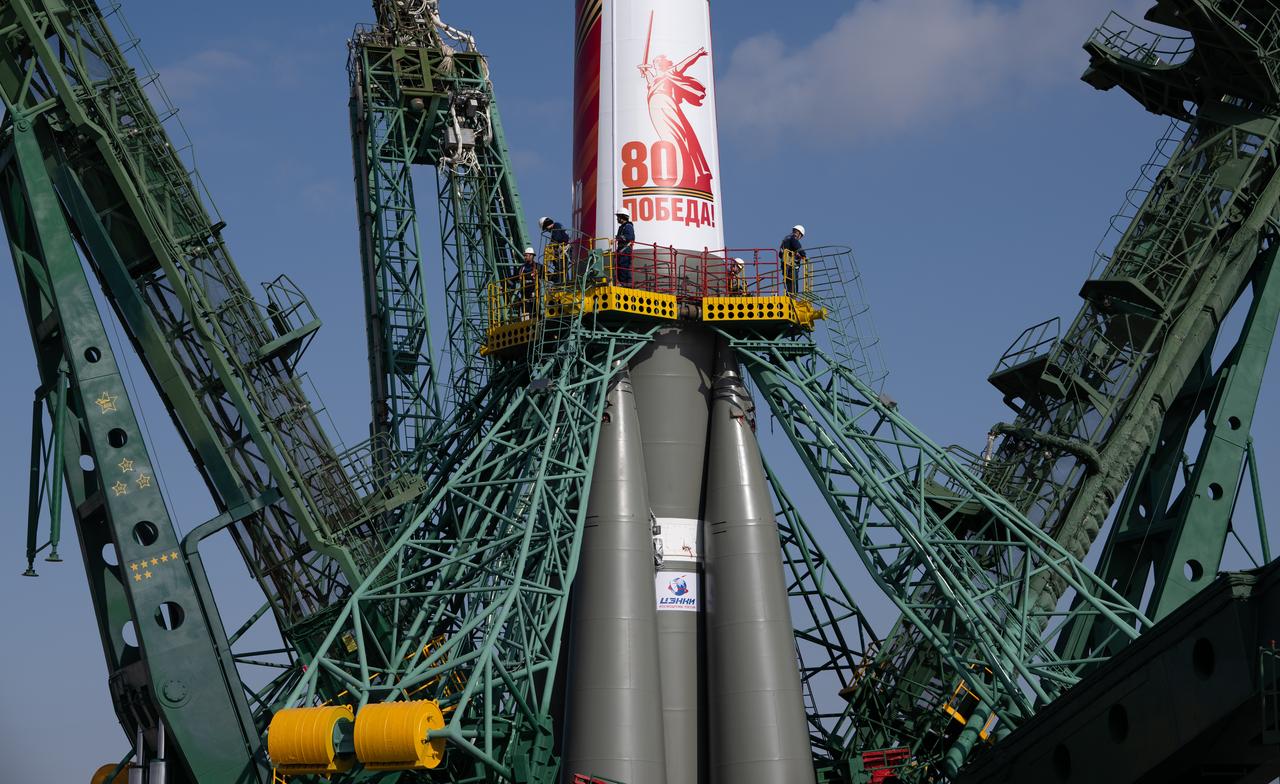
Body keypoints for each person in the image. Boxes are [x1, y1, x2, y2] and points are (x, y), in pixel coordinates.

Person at [780, 224, 807, 295]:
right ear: (799, 233)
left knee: (788, 280)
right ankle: (793, 296)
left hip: (784, 264)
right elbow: (798, 247)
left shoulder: (785, 240)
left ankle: (788, 294)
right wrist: (803, 255)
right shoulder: (793, 239)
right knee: (793, 281)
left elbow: (780, 254)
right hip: (792, 265)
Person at [517, 247, 541, 319]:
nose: (525, 257)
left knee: (535, 309)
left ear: (531, 256)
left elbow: (547, 275)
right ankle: (527, 324)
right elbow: (514, 278)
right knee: (525, 310)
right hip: (525, 294)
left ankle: (537, 320)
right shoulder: (522, 268)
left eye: (526, 255)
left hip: (534, 293)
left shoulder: (538, 267)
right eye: (524, 255)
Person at [614, 209, 635, 285]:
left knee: (624, 268)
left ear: (622, 217)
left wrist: (619, 238)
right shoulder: (622, 227)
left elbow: (630, 237)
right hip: (621, 251)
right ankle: (622, 284)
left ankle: (626, 285)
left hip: (625, 251)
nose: (617, 219)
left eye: (618, 217)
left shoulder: (628, 226)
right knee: (620, 268)